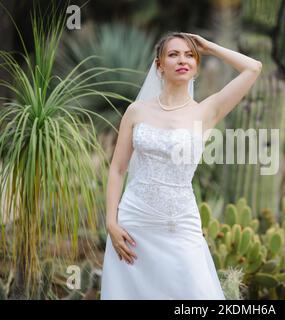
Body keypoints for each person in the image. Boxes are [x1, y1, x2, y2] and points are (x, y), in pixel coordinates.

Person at [100, 31, 262, 299]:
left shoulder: (206, 111)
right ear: (159, 65)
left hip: (180, 223)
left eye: (189, 55)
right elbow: (118, 169)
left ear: (197, 66)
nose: (182, 60)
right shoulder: (136, 111)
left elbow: (253, 68)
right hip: (134, 222)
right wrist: (111, 222)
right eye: (173, 54)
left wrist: (209, 47)